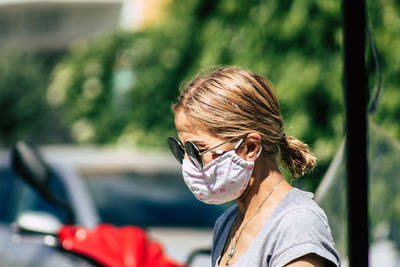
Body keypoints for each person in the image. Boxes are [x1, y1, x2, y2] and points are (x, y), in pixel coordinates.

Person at [167, 67, 340, 267]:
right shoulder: (227, 222)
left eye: (197, 149)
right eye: (182, 150)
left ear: (250, 148)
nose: (188, 162)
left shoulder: (296, 225)